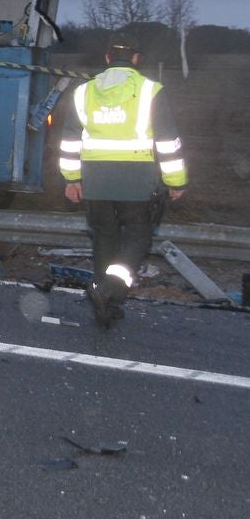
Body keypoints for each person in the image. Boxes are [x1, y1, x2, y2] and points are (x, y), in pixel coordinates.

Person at [59, 32, 187, 327]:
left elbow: (69, 141)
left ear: (106, 58)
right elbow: (168, 142)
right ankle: (109, 291)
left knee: (105, 237)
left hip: (95, 179)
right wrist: (176, 181)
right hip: (137, 179)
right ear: (135, 58)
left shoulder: (83, 92)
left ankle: (107, 305)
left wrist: (72, 179)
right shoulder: (150, 90)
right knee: (138, 237)